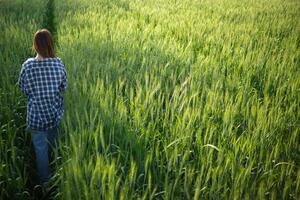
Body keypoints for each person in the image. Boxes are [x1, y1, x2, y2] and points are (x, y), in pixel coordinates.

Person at [18, 29, 67, 185]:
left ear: (35, 46)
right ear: (51, 45)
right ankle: (57, 174)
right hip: (54, 114)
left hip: (36, 116)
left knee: (40, 150)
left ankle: (45, 184)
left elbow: (23, 88)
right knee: (53, 146)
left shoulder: (27, 65)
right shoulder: (58, 63)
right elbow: (63, 87)